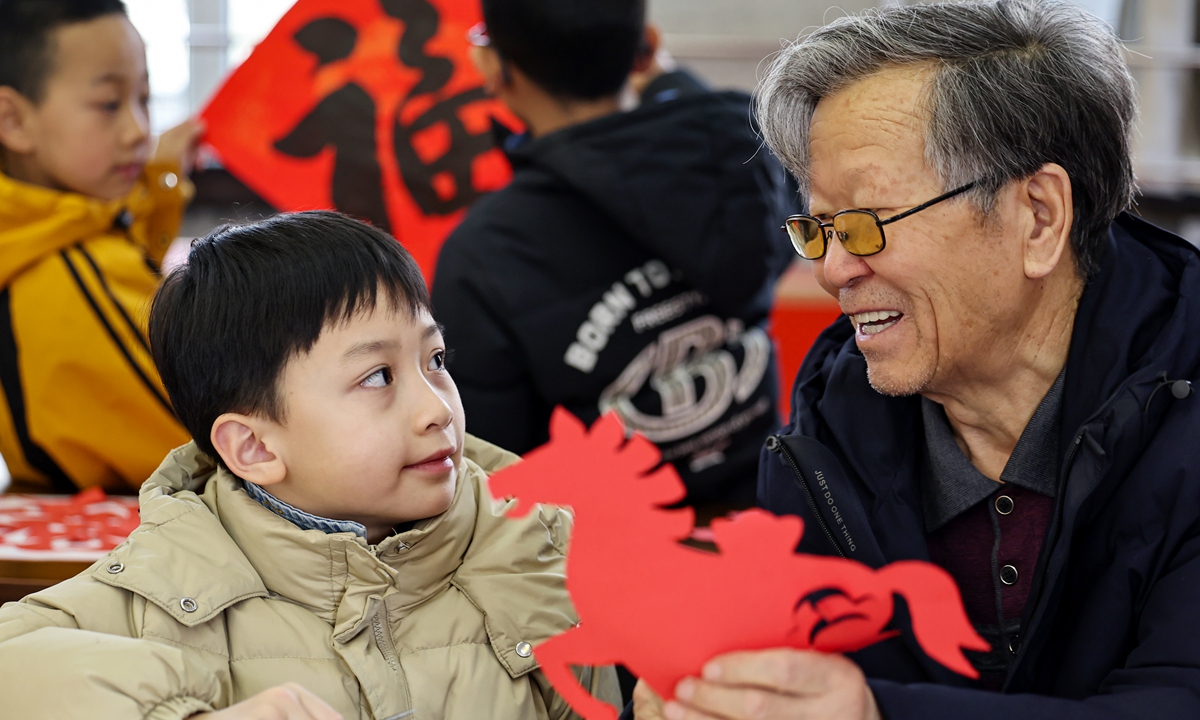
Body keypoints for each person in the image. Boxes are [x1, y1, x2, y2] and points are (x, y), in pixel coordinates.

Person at [633, 1, 1200, 719]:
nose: (833, 270)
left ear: (1039, 216)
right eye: (819, 228)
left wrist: (875, 714)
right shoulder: (824, 446)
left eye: (868, 224)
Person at [0, 211, 620, 719]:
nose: (437, 409)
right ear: (256, 449)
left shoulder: (542, 547)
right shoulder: (163, 593)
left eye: (435, 359)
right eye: (378, 376)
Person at [432, 0, 796, 509]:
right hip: (780, 509)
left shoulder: (485, 253)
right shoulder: (743, 155)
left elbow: (494, 472)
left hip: (614, 563)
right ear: (645, 47)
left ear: (495, 67)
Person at [0, 0, 201, 493]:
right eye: (110, 104)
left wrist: (160, 189)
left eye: (145, 99)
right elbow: (219, 453)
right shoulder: (64, 272)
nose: (138, 131)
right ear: (13, 120)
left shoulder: (44, 235)